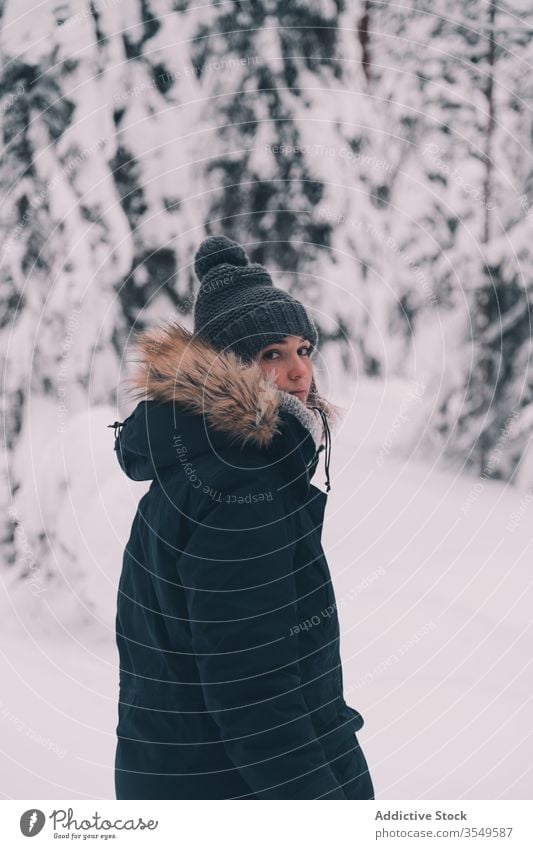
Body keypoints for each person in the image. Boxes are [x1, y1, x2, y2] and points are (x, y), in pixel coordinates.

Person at [109, 235, 375, 800]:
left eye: (303, 349)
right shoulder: (241, 490)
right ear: (227, 371)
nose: (299, 371)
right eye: (270, 355)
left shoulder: (193, 468)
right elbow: (255, 693)